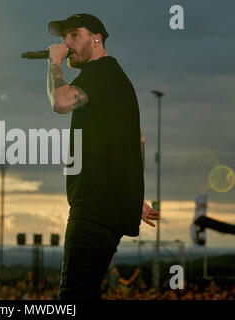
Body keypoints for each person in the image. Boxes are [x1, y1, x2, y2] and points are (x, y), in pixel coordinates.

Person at [46, 13, 160, 300]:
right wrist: (133, 196)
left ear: (97, 38)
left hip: (94, 207)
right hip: (108, 204)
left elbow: (60, 102)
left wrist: (54, 63)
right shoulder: (114, 79)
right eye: (63, 38)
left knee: (74, 295)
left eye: (74, 35)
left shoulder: (101, 74)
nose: (66, 42)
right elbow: (137, 141)